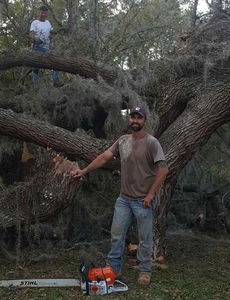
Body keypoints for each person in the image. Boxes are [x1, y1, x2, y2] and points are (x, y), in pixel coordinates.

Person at [71, 106, 168, 285]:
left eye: (139, 118)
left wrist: (150, 194)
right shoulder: (123, 141)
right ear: (129, 120)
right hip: (124, 199)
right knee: (117, 236)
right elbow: (104, 157)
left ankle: (145, 271)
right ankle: (113, 269)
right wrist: (84, 171)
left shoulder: (152, 143)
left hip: (143, 201)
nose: (135, 121)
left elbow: (163, 170)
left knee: (145, 239)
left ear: (144, 121)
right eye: (133, 117)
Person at [29, 5, 60, 85]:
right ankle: (36, 87)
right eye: (42, 13)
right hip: (37, 47)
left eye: (45, 13)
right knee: (36, 68)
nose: (43, 15)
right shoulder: (35, 22)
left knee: (57, 63)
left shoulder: (48, 23)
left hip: (47, 48)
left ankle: (55, 81)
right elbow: (31, 33)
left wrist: (61, 30)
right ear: (39, 13)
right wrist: (33, 41)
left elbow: (52, 31)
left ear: (47, 14)